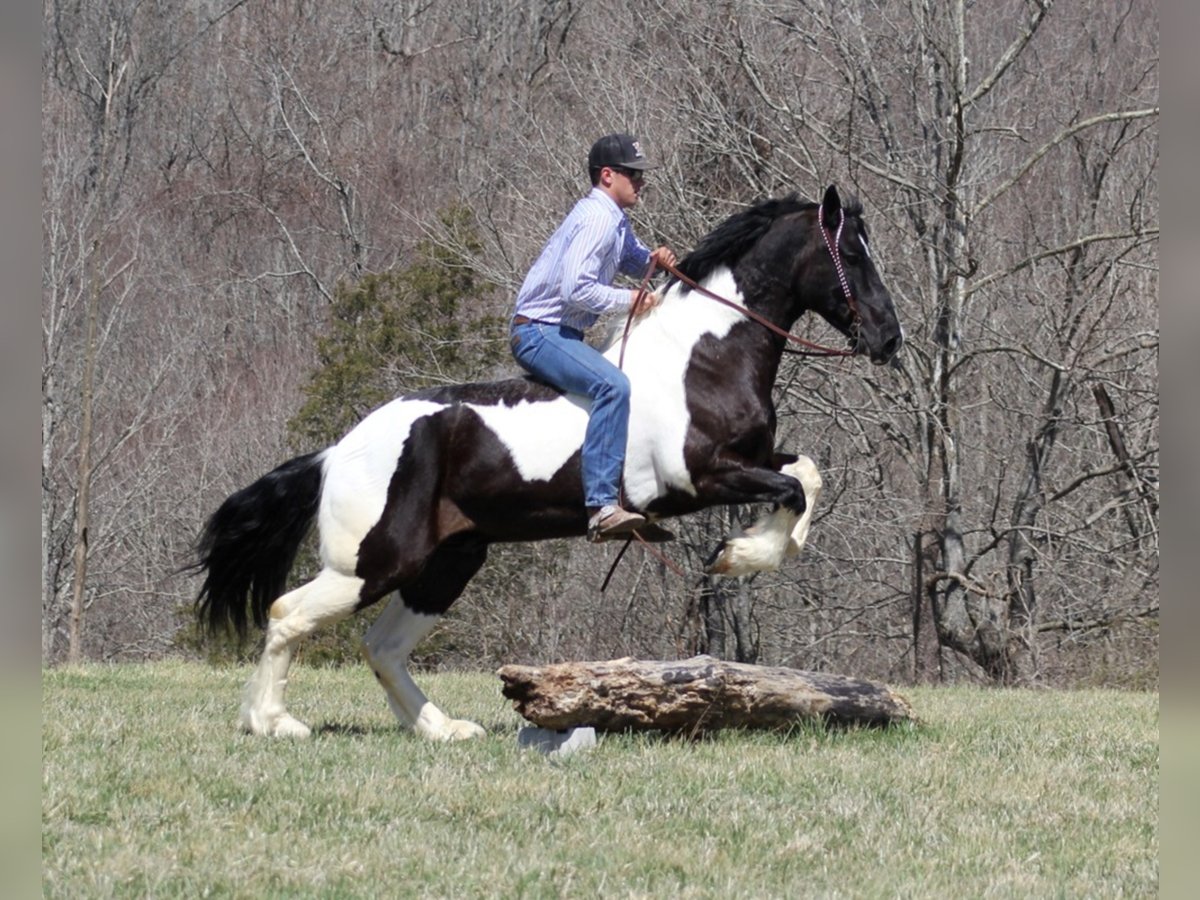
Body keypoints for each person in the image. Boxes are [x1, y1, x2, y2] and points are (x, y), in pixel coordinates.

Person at [510, 133, 677, 542]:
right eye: (633, 174)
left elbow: (639, 264)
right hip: (539, 333)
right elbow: (575, 289)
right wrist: (631, 300)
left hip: (559, 333)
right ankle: (602, 508)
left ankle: (629, 497)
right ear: (607, 175)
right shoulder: (599, 218)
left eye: (642, 176)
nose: (641, 182)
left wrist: (659, 262)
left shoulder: (614, 219)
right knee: (613, 386)